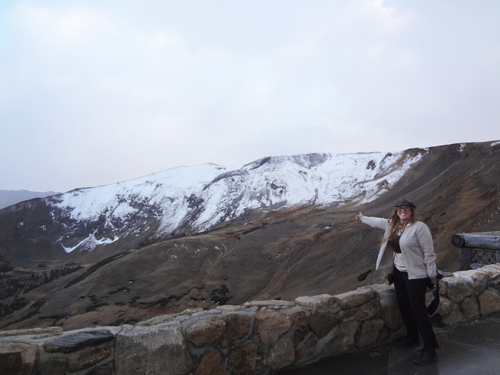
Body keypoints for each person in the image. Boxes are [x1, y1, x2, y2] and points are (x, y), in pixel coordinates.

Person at [355, 198, 439, 365]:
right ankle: (412, 338)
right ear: (396, 211)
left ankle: (430, 350)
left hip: (416, 275)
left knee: (418, 311)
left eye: (406, 208)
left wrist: (432, 275)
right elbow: (377, 222)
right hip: (399, 273)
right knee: (404, 306)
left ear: (412, 211)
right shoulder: (392, 224)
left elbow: (429, 253)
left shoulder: (420, 228)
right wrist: (362, 218)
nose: (403, 211)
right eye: (400, 208)